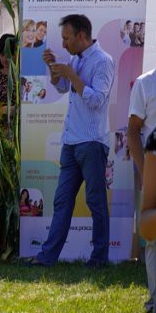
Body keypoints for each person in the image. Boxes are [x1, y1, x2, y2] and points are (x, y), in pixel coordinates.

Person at [29, 14, 114, 267]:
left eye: (67, 38)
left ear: (81, 35)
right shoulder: (75, 59)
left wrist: (70, 74)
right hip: (71, 142)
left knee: (96, 202)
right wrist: (55, 71)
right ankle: (47, 258)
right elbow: (64, 88)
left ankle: (98, 260)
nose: (64, 44)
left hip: (92, 142)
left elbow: (97, 99)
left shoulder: (103, 61)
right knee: (62, 201)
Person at [127, 48, 156, 313]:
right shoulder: (145, 83)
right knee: (153, 236)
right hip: (154, 169)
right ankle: (155, 301)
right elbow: (133, 131)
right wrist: (144, 168)